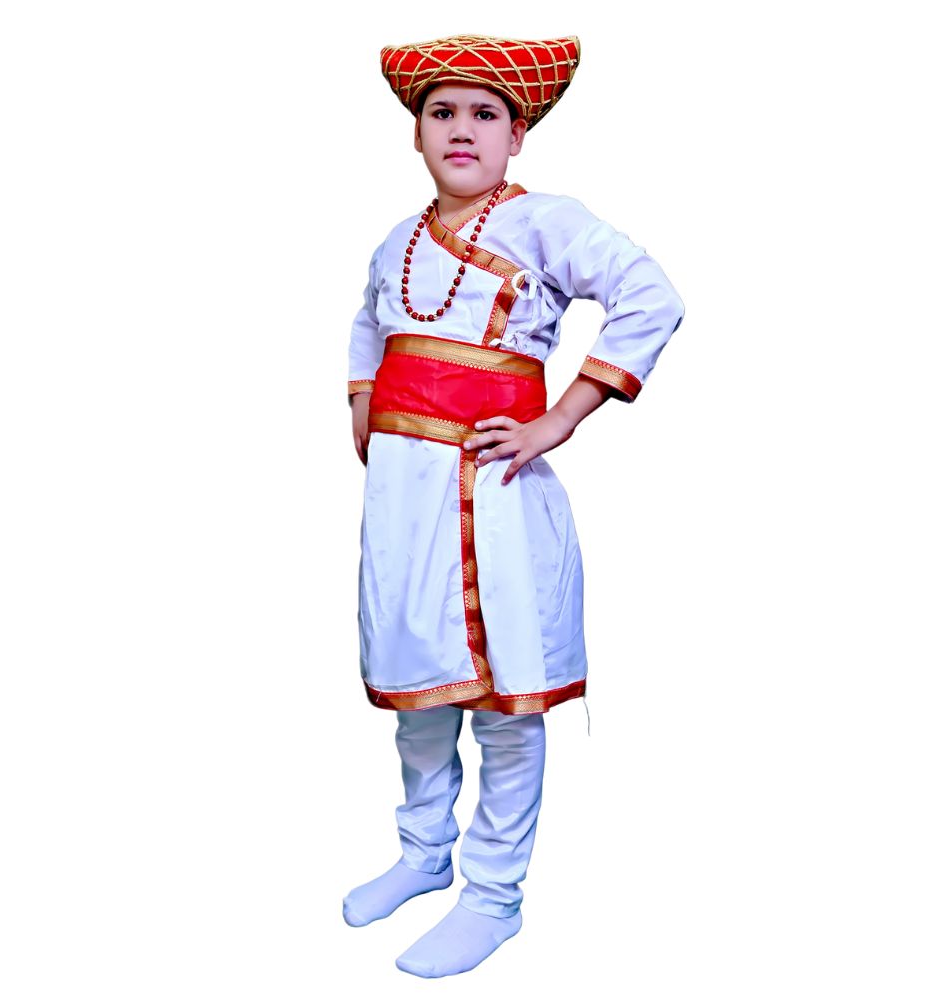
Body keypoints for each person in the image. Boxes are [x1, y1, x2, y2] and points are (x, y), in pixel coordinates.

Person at [343, 34, 684, 978]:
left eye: (485, 113)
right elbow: (369, 324)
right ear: (417, 132)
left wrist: (559, 418)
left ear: (517, 135)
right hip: (404, 505)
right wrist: (365, 403)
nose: (462, 129)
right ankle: (423, 852)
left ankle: (493, 895)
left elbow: (650, 297)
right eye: (442, 112)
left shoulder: (545, 223)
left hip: (494, 492)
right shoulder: (395, 240)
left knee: (502, 700)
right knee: (416, 685)